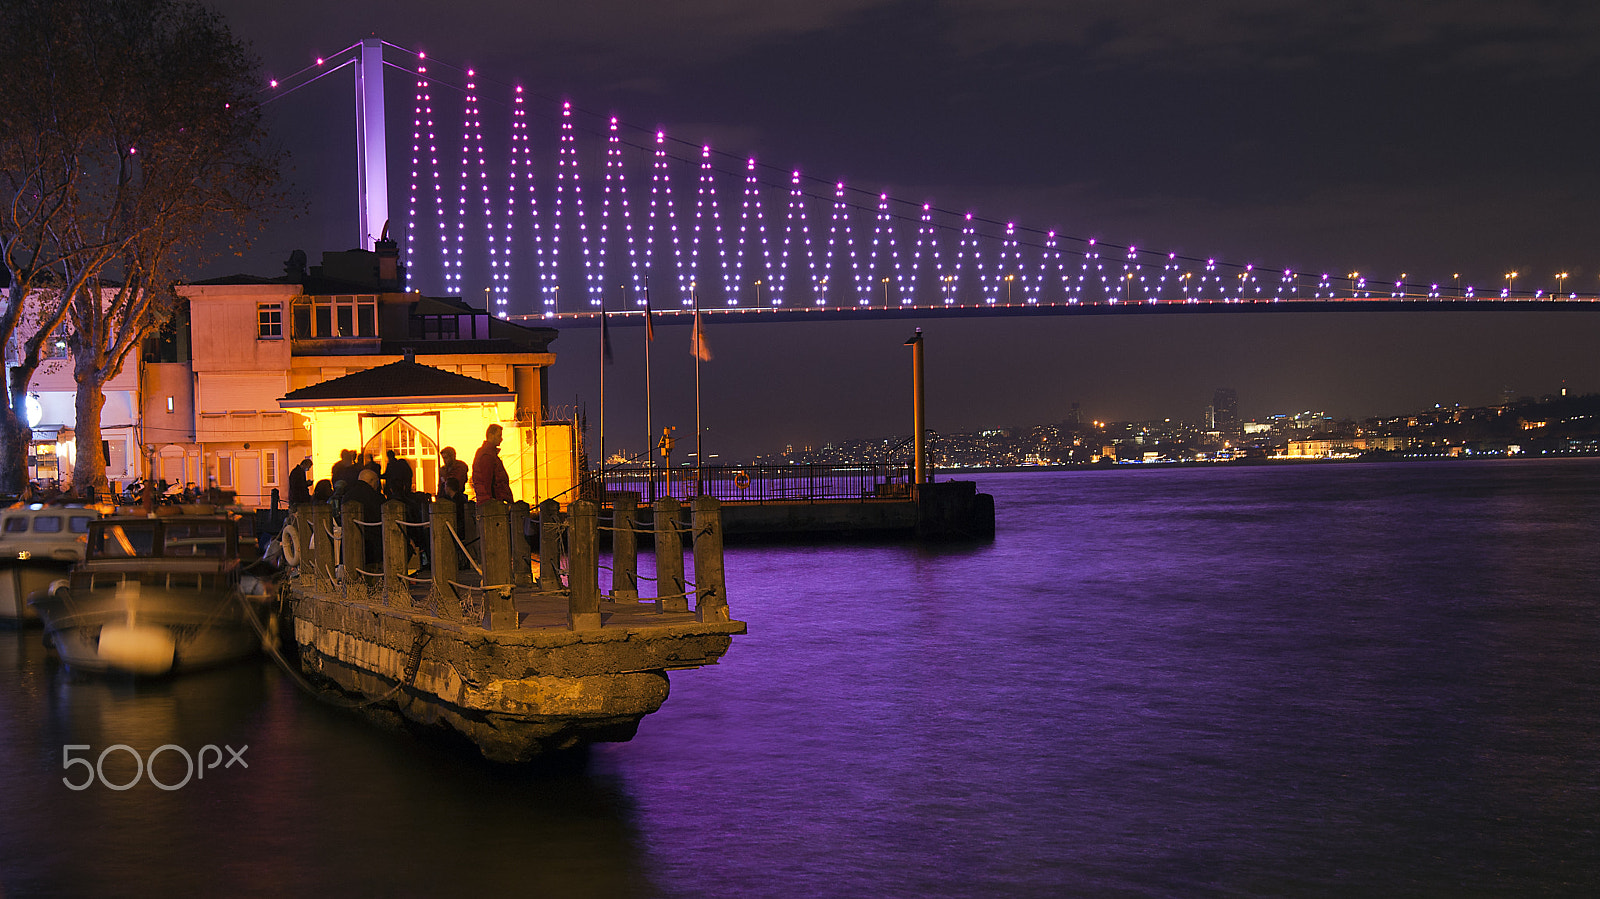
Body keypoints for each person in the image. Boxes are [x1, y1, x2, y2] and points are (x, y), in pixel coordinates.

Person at [344, 468, 385, 566]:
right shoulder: (375, 497)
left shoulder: (347, 495)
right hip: (372, 543)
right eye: (377, 482)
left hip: (349, 541)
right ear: (371, 481)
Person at [471, 423, 513, 502]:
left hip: (492, 500)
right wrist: (493, 501)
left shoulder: (488, 453)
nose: (501, 439)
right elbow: (487, 481)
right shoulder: (488, 455)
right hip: (493, 502)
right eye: (499, 436)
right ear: (490, 435)